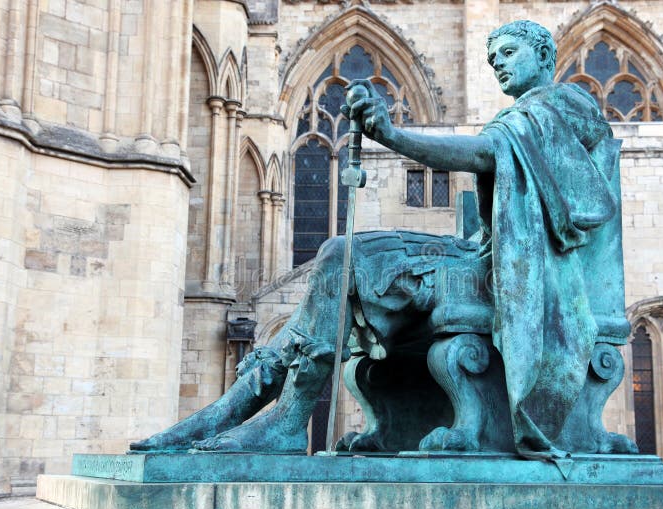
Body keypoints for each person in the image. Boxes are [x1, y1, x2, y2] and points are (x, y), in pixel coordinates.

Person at [131, 20, 622, 460]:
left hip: (532, 277)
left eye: (508, 54)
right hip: (488, 257)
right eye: (493, 59)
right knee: (342, 255)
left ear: (544, 55)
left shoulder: (563, 106)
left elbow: (482, 153)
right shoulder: (526, 118)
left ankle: (276, 420)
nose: (498, 66)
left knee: (343, 254)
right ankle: (238, 414)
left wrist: (390, 135)